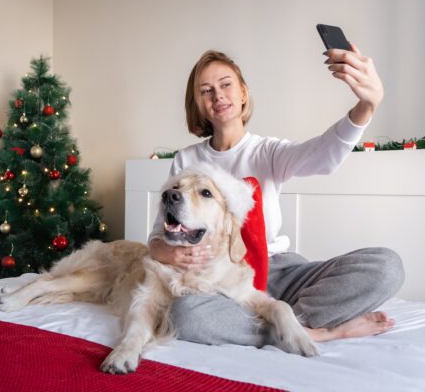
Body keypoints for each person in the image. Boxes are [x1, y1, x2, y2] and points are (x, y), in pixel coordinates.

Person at [148, 46, 405, 347]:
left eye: (226, 84)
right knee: (185, 315)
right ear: (198, 105)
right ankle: (315, 332)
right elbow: (156, 239)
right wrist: (172, 253)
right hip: (217, 279)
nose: (218, 95)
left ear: (243, 93)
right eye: (206, 90)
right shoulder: (186, 161)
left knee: (387, 266)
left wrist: (366, 106)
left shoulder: (268, 151)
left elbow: (323, 155)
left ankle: (292, 321)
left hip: (279, 271)